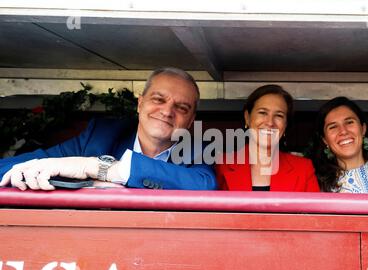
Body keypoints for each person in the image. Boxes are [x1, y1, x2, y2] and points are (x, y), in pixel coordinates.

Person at [0, 67, 217, 191]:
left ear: (190, 121)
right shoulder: (100, 136)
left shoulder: (200, 149)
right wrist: (88, 182)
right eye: (158, 99)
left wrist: (100, 169)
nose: (167, 111)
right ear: (140, 103)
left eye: (181, 107)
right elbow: (7, 168)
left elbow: (205, 185)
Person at [215, 84, 319, 192]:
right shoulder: (223, 164)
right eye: (262, 113)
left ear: (286, 124)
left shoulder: (303, 168)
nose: (270, 122)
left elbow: (314, 208)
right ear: (247, 117)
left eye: (279, 115)